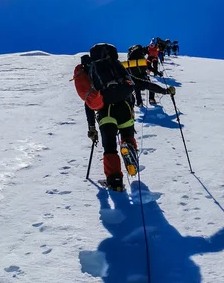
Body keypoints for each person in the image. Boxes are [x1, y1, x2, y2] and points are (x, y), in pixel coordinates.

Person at [74, 43, 175, 191]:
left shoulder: (92, 74)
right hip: (125, 107)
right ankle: (129, 148)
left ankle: (115, 181)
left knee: (109, 147)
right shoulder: (119, 70)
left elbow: (89, 103)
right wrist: (166, 91)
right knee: (127, 135)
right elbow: (142, 84)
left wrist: (91, 128)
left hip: (105, 110)